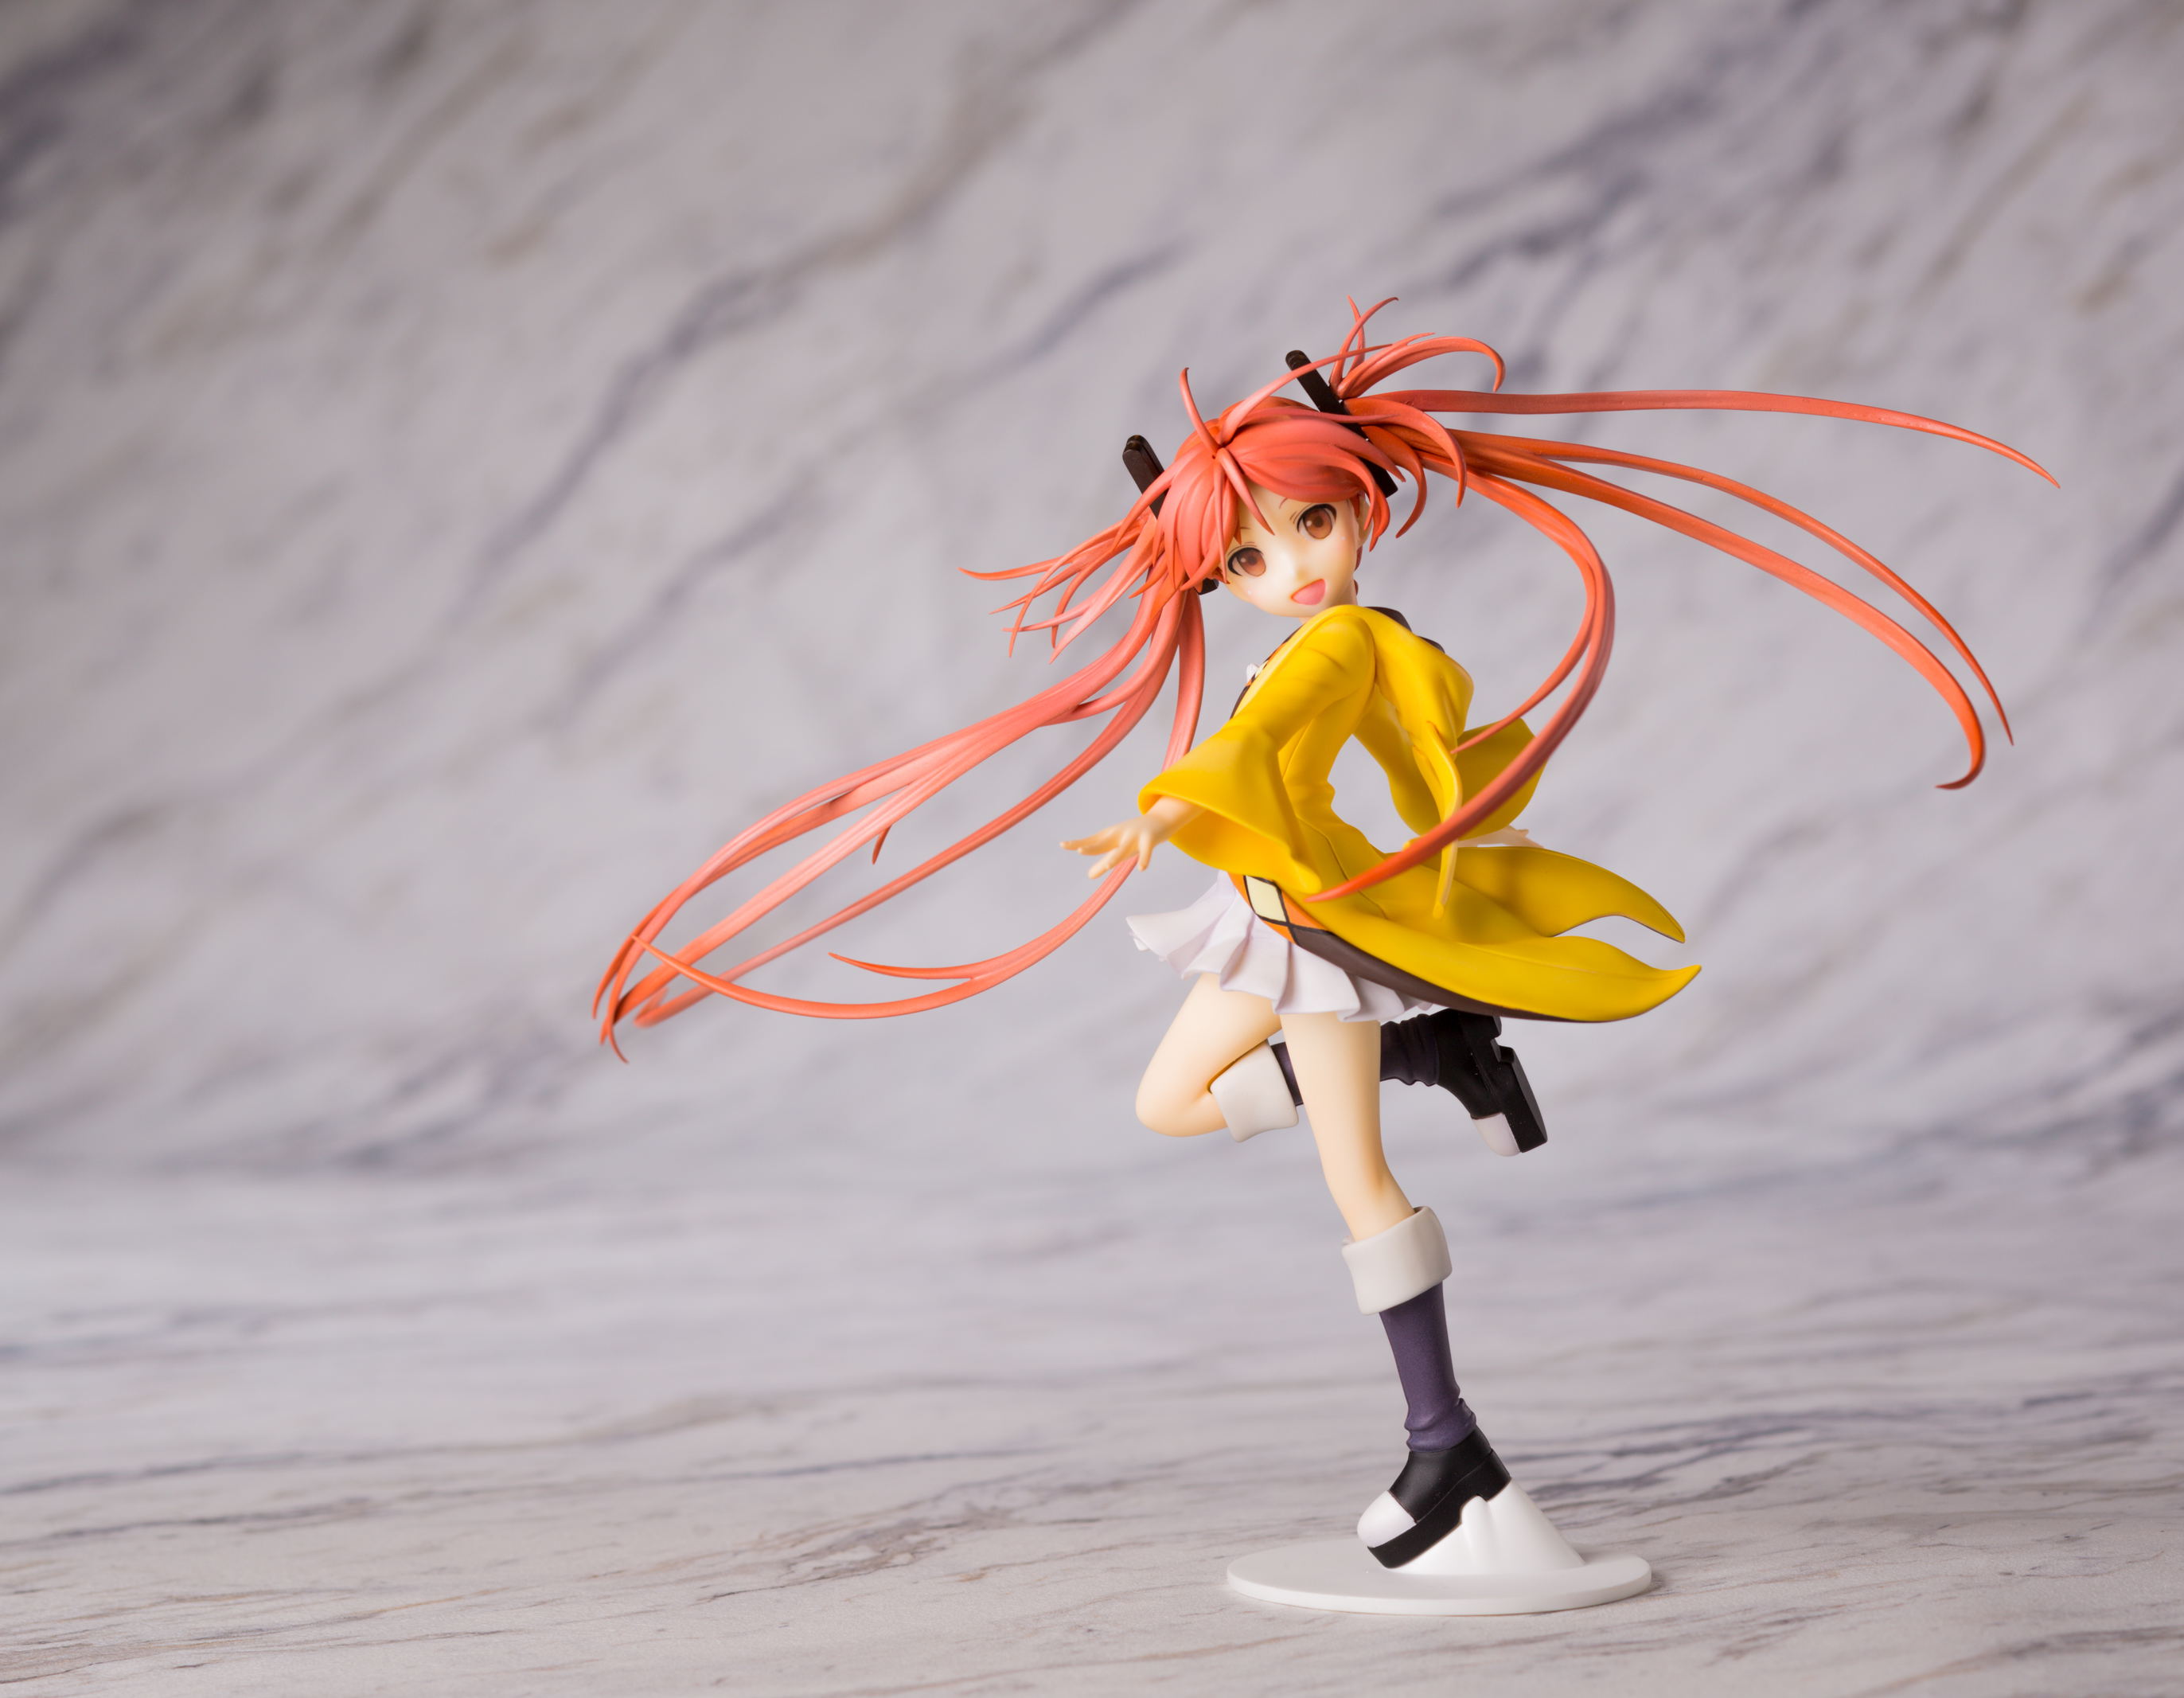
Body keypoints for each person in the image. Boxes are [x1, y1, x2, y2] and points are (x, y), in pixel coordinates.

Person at [598, 299, 2049, 1570]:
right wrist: (1187, 816)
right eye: (1249, 554)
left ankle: (1445, 1444)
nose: (1292, 564)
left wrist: (1163, 812)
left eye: (1311, 524)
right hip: (1275, 915)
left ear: (1360, 508)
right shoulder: (1318, 638)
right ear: (1214, 577)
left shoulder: (1344, 638)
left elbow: (1271, 740)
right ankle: (1440, 1060)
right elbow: (1279, 742)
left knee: (1356, 1181)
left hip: (1313, 933)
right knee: (1172, 1103)